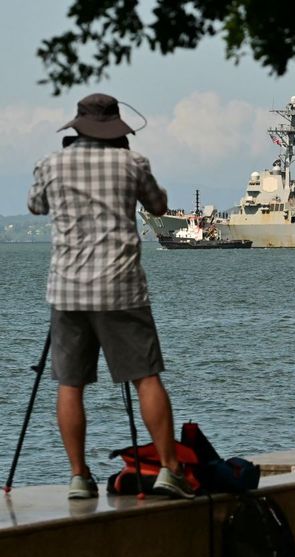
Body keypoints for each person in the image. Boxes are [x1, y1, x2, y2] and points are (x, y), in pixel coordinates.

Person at [27, 93, 193, 500]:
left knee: (70, 384)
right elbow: (159, 205)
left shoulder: (52, 163)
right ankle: (170, 469)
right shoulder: (132, 163)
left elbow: (35, 205)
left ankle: (79, 476)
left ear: (78, 126)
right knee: (146, 377)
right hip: (122, 289)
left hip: (67, 290)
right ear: (117, 129)